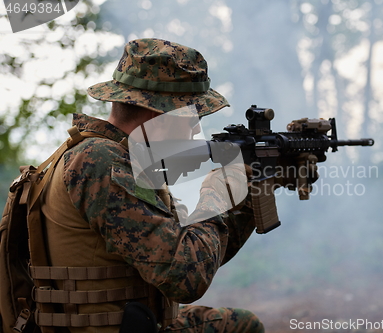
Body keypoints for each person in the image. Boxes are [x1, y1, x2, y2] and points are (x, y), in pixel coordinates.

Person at [36, 38, 265, 333]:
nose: (196, 129)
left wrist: (249, 193)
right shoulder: (100, 162)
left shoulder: (126, 160)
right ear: (161, 115)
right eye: (192, 116)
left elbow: (201, 257)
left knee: (240, 324)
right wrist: (216, 196)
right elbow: (187, 278)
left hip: (135, 323)